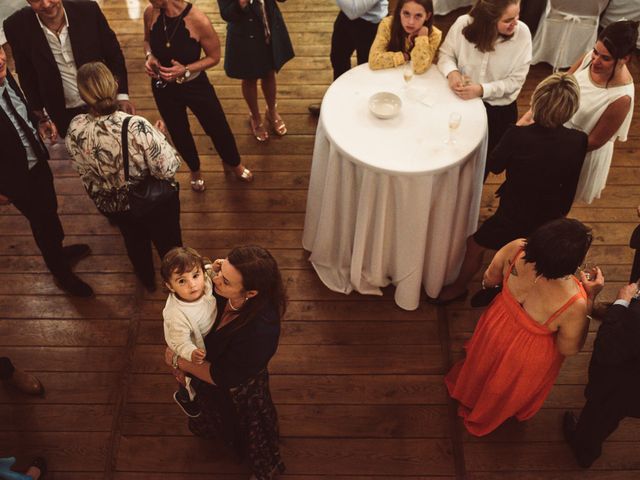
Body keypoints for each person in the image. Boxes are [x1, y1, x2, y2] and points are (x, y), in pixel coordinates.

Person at [435, 72, 587, 304]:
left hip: (516, 211)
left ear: (537, 102)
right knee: (527, 257)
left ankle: (459, 287)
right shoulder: (579, 140)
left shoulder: (520, 136)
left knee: (474, 244)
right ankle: (505, 289)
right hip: (552, 215)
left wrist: (517, 126)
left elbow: (494, 165)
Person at [445, 218, 602, 436]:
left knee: (484, 360)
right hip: (529, 350)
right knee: (505, 384)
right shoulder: (574, 301)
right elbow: (569, 348)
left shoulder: (517, 248)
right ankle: (488, 411)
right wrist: (591, 297)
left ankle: (470, 393)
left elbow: (490, 279)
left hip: (498, 321)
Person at [163, 245, 286, 479]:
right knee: (211, 413)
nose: (214, 279)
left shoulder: (260, 329)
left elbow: (223, 376)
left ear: (250, 293)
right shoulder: (216, 287)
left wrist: (179, 361)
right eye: (220, 270)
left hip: (237, 390)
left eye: (225, 280)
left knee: (248, 432)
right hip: (206, 373)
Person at [65, 62, 182, 292]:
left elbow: (84, 171)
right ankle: (178, 283)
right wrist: (159, 136)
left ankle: (147, 280)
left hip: (114, 205)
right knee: (170, 246)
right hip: (153, 203)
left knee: (134, 241)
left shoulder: (75, 129)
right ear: (115, 85)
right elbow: (166, 168)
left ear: (82, 95)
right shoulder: (135, 126)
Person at [0, 45, 93, 297]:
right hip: (12, 177)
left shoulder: (5, 74)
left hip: (36, 159)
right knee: (41, 220)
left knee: (49, 208)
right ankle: (60, 271)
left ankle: (58, 248)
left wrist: (39, 122)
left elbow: (17, 110)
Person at [144, 0, 252, 191]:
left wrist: (185, 69)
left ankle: (234, 163)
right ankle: (195, 170)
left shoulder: (198, 19)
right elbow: (147, 41)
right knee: (178, 131)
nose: (150, 2)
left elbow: (214, 57)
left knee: (217, 125)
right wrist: (149, 56)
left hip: (194, 84)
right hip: (163, 86)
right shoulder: (150, 13)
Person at [3, 0, 134, 137]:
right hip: (63, 112)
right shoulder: (15, 26)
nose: (46, 4)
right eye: (36, 0)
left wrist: (122, 95)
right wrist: (40, 116)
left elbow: (113, 54)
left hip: (104, 101)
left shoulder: (89, 10)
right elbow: (26, 73)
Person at [437, 0, 531, 173]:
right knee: (452, 157)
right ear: (488, 20)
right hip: (460, 105)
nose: (515, 23)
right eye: (508, 19)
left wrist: (481, 90)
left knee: (483, 165)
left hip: (497, 112)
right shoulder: (463, 24)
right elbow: (446, 55)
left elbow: (515, 81)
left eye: (517, 15)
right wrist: (452, 73)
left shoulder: (522, 34)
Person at [563, 280, 640, 468]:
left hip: (622, 390)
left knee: (598, 419)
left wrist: (621, 302)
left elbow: (606, 349)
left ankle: (584, 451)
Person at [565, 20, 637, 204]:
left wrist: (555, 147)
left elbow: (594, 141)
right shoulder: (591, 56)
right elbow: (562, 83)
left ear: (625, 58)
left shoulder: (622, 97)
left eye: (605, 58)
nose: (595, 60)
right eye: (596, 52)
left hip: (578, 151)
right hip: (558, 133)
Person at [218, 0, 294, 142]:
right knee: (249, 77)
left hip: (269, 29)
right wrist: (241, 3)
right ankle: (255, 116)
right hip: (245, 36)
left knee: (270, 73)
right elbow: (226, 13)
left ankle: (271, 111)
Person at [161, 247, 219, 418]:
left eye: (195, 275)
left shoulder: (205, 280)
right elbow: (180, 342)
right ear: (170, 286)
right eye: (181, 281)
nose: (192, 284)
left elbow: (208, 271)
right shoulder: (177, 314)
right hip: (188, 344)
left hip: (206, 331)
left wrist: (214, 269)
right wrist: (190, 352)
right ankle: (185, 398)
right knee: (188, 379)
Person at [308, 0, 388, 115]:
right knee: (338, 59)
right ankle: (335, 103)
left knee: (367, 71)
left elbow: (353, 10)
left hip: (372, 25)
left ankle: (361, 112)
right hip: (346, 17)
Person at [368, 0, 441, 74]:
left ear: (427, 16)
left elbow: (419, 68)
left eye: (418, 16)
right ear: (400, 12)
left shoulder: (434, 34)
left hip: (416, 80)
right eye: (406, 13)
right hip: (388, 76)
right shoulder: (387, 24)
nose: (411, 22)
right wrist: (406, 56)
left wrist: (422, 38)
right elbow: (374, 60)